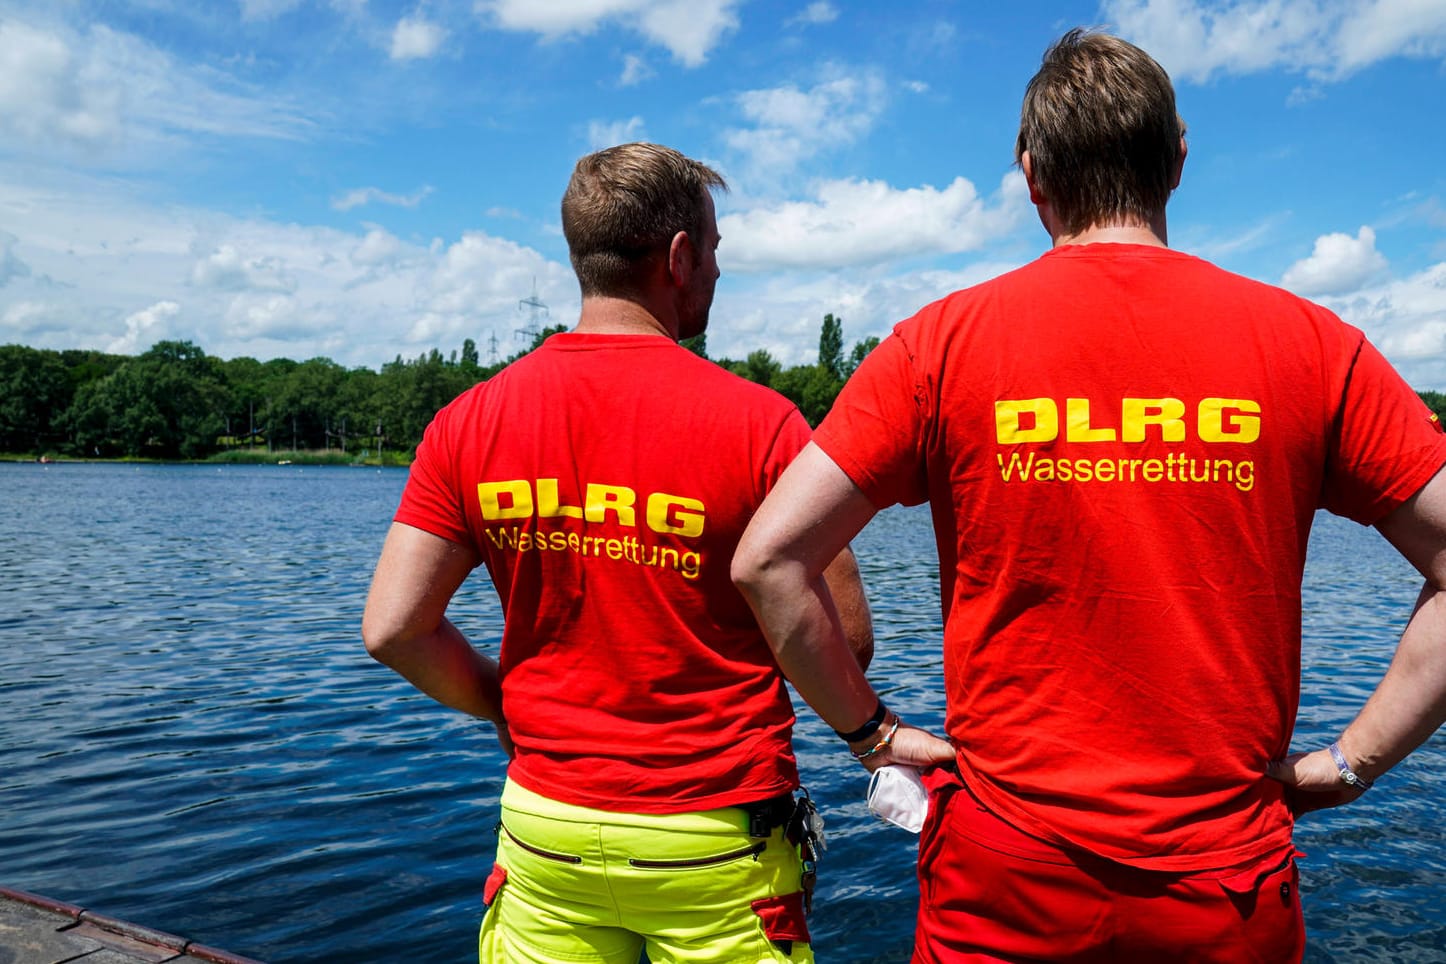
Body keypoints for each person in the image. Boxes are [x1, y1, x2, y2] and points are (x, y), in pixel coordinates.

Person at [732, 27, 1446, 962]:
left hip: (1006, 873)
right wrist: (1352, 764)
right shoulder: (1312, 345)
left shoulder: (938, 346)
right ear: (1178, 162)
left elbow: (767, 559)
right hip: (1223, 881)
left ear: (1032, 175)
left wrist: (873, 735)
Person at [362, 141, 871, 964]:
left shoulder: (469, 421)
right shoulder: (762, 426)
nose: (715, 273)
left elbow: (393, 628)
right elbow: (846, 641)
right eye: (713, 251)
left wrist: (507, 707)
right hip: (713, 840)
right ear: (678, 258)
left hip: (545, 831)